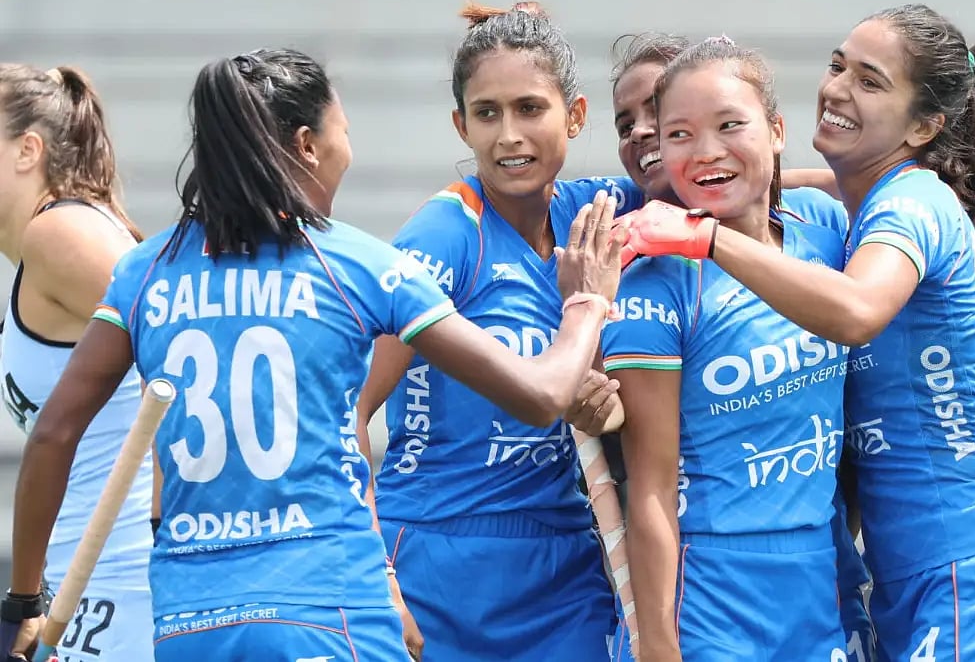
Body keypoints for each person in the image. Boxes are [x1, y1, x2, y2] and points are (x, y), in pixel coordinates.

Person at [3, 47, 625, 662]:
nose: (348, 153)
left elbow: (54, 434)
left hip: (191, 621)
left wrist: (24, 602)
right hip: (330, 608)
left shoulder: (145, 271)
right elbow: (543, 395)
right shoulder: (358, 264)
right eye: (343, 134)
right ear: (308, 145)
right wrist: (587, 305)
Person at [620, 4, 975, 661]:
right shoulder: (850, 212)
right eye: (838, 65)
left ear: (925, 124)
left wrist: (706, 235)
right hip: (901, 585)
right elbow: (780, 184)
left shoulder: (909, 202)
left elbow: (857, 309)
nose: (837, 88)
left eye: (870, 80)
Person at [354, 2, 645, 662]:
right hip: (435, 561)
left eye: (529, 109)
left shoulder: (597, 212)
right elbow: (350, 408)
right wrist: (377, 576)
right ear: (461, 125)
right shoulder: (445, 233)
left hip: (565, 565)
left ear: (574, 115)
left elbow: (719, 192)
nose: (509, 134)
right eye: (487, 113)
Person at [602, 36, 851, 662]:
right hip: (712, 591)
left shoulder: (825, 226)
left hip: (822, 579)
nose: (706, 152)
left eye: (729, 126)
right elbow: (651, 488)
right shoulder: (652, 286)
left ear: (776, 129)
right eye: (679, 135)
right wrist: (658, 646)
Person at [0, 63, 152, 662]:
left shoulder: (60, 233)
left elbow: (188, 350)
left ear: (26, 151)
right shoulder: (39, 248)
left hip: (120, 586)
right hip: (80, 585)